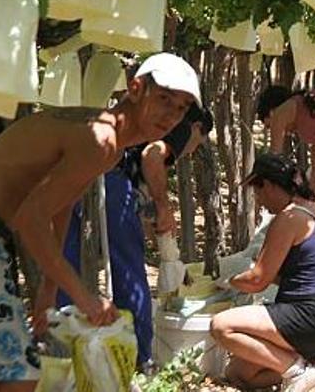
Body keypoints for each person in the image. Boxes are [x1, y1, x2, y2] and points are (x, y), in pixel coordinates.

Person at [0, 52, 200, 391]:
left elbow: (61, 206)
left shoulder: (108, 141)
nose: (171, 114)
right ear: (135, 88)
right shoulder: (101, 140)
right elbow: (31, 219)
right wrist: (83, 297)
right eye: (164, 98)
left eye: (181, 108)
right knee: (15, 376)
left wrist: (50, 288)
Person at [56, 103, 213, 368]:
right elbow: (152, 157)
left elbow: (141, 176)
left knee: (67, 263)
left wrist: (150, 217)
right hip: (111, 182)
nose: (190, 150)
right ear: (197, 127)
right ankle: (139, 357)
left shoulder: (149, 120)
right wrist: (164, 208)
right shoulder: (182, 126)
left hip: (74, 170)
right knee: (128, 269)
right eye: (197, 144)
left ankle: (65, 347)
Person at [210, 153, 315, 392]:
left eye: (259, 192)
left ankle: (298, 370)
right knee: (238, 375)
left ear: (271, 185)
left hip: (310, 315)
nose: (261, 201)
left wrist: (228, 282)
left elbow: (257, 281)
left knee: (221, 326)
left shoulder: (290, 217)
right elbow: (295, 273)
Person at [256, 86, 315, 194]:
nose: (285, 134)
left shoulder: (281, 112)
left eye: (270, 126)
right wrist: (299, 198)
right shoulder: (311, 121)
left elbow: (273, 163)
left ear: (272, 112)